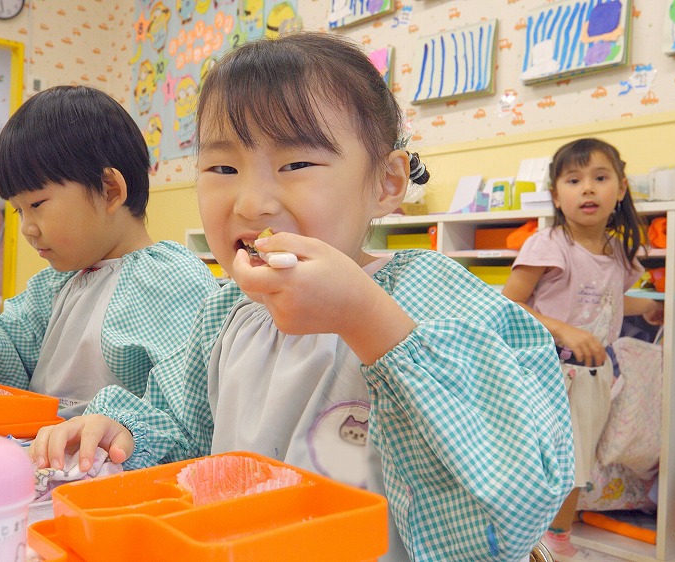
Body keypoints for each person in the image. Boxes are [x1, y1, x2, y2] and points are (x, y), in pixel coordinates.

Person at [30, 33, 573, 561]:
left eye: (296, 165)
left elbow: (517, 490)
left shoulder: (431, 295)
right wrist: (124, 430)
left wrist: (368, 321)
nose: (251, 202)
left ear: (385, 183)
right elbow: (186, 432)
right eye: (222, 168)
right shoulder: (225, 313)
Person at [0, 85, 218, 418]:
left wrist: (123, 429)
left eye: (36, 204)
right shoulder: (54, 285)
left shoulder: (170, 282)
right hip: (42, 452)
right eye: (19, 210)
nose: (27, 228)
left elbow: (187, 409)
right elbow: (12, 353)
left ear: (109, 191)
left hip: (118, 463)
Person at [501, 138, 664, 560]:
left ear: (621, 189)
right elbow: (509, 303)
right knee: (549, 458)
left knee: (579, 461)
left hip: (593, 374)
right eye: (574, 180)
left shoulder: (616, 251)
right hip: (547, 371)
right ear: (557, 195)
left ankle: (553, 536)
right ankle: (551, 539)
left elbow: (605, 297)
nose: (587, 188)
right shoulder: (549, 245)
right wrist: (562, 331)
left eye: (600, 178)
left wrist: (646, 308)